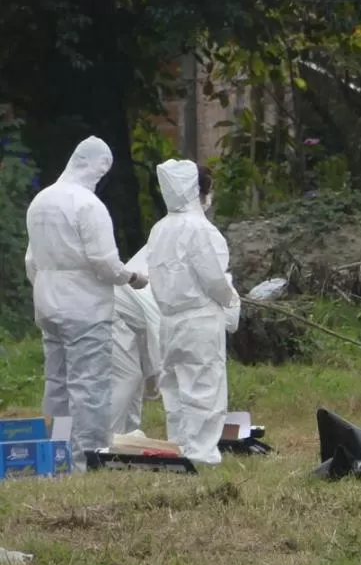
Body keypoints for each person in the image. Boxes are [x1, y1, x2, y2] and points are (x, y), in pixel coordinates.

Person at [24, 136, 150, 470]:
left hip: (48, 302)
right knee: (89, 384)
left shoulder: (41, 200)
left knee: (58, 382)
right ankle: (87, 459)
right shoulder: (88, 205)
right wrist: (132, 278)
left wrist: (49, 286)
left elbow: (31, 261)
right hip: (85, 308)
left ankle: (56, 454)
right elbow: (104, 262)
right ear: (99, 167)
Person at [146, 159, 240, 465]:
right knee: (204, 388)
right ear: (198, 191)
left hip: (168, 321)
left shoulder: (159, 229)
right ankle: (201, 456)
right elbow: (213, 278)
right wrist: (229, 297)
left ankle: (178, 450)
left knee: (175, 390)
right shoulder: (201, 229)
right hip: (199, 318)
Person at [110, 245, 162, 435]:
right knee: (127, 377)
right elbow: (157, 330)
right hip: (111, 312)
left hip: (123, 317)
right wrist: (159, 374)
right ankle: (109, 439)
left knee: (134, 379)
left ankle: (128, 433)